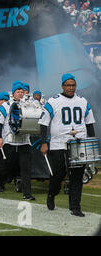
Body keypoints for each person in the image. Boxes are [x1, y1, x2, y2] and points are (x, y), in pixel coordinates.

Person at [38, 73, 96, 217]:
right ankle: (52, 194)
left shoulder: (83, 101)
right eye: (68, 85)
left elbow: (89, 123)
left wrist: (91, 142)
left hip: (78, 143)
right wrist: (44, 142)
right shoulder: (53, 101)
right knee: (58, 175)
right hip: (59, 144)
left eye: (73, 85)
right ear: (62, 86)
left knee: (77, 176)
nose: (71, 87)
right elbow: (43, 123)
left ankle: (75, 207)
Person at [0, 81, 35, 200]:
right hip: (10, 141)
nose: (21, 94)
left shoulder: (28, 104)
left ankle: (27, 194)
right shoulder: (6, 105)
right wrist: (0, 137)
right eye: (18, 91)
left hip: (24, 141)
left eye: (22, 92)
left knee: (26, 169)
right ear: (13, 93)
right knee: (5, 167)